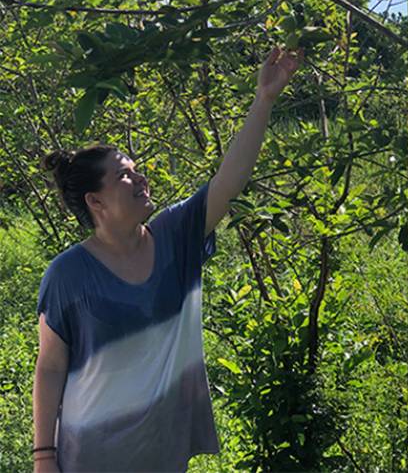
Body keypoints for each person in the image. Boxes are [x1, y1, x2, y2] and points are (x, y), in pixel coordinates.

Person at [32, 45, 302, 473]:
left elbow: (229, 181)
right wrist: (43, 457)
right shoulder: (68, 275)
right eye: (124, 174)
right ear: (95, 201)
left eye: (136, 168)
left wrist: (264, 99)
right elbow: (49, 368)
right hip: (90, 456)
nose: (140, 178)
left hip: (163, 451)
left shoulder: (175, 235)